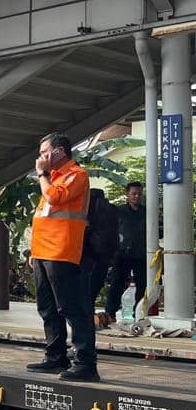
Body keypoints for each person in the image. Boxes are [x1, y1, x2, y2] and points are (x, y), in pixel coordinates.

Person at [27, 133, 97, 382]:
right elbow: (43, 217)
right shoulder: (54, 177)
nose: (41, 157)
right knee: (46, 307)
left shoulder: (76, 175)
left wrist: (42, 175)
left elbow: (54, 198)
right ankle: (56, 356)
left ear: (59, 152)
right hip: (43, 251)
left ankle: (85, 362)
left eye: (44, 151)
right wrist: (33, 252)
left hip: (61, 251)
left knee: (70, 307)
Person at [106, 181, 147, 319]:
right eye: (134, 194)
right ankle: (110, 313)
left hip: (141, 254)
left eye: (139, 194)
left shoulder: (147, 212)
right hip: (122, 254)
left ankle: (138, 313)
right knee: (117, 283)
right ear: (127, 195)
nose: (137, 196)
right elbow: (111, 231)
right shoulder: (119, 212)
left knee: (142, 286)